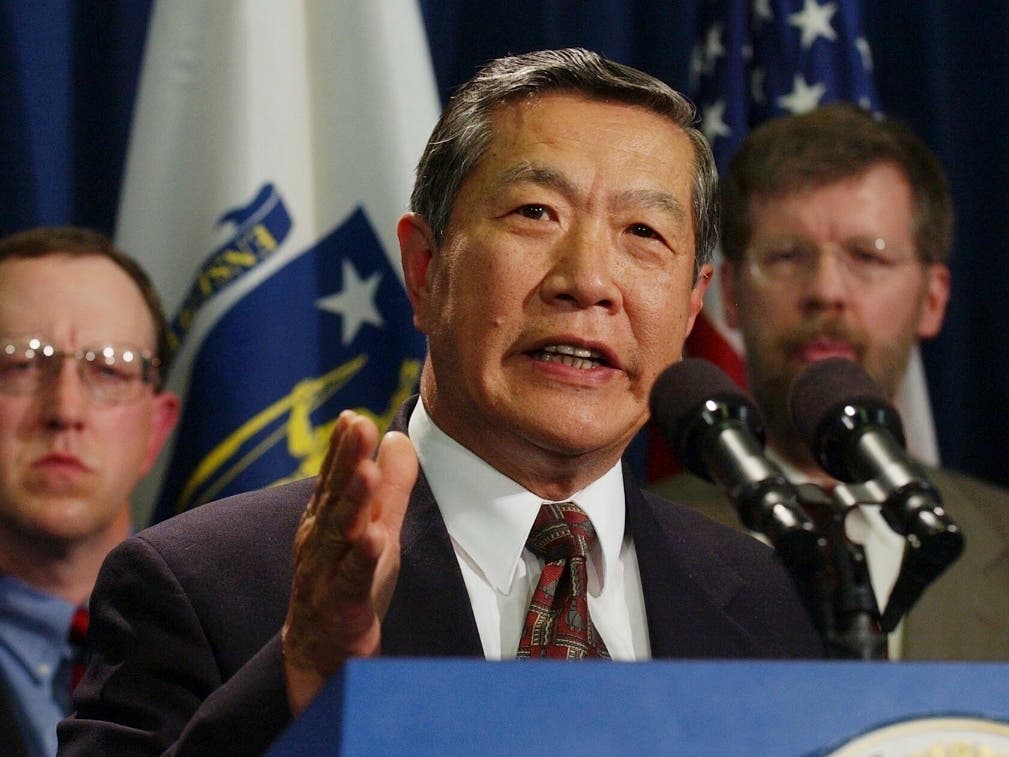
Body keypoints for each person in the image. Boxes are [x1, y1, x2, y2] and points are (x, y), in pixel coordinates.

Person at [58, 49, 823, 756]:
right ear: (424, 268)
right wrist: (304, 676)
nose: (586, 279)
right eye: (535, 213)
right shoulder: (203, 584)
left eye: (643, 231)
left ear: (691, 307)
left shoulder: (758, 604)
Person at [651, 103, 1009, 660]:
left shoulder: (1001, 540)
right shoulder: (638, 542)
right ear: (734, 296)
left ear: (932, 299)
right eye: (788, 256)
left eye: (868, 256)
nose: (825, 291)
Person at [0, 227, 179, 757]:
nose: (65, 411)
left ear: (156, 429)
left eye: (109, 369)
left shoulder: (248, 650)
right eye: (19, 364)